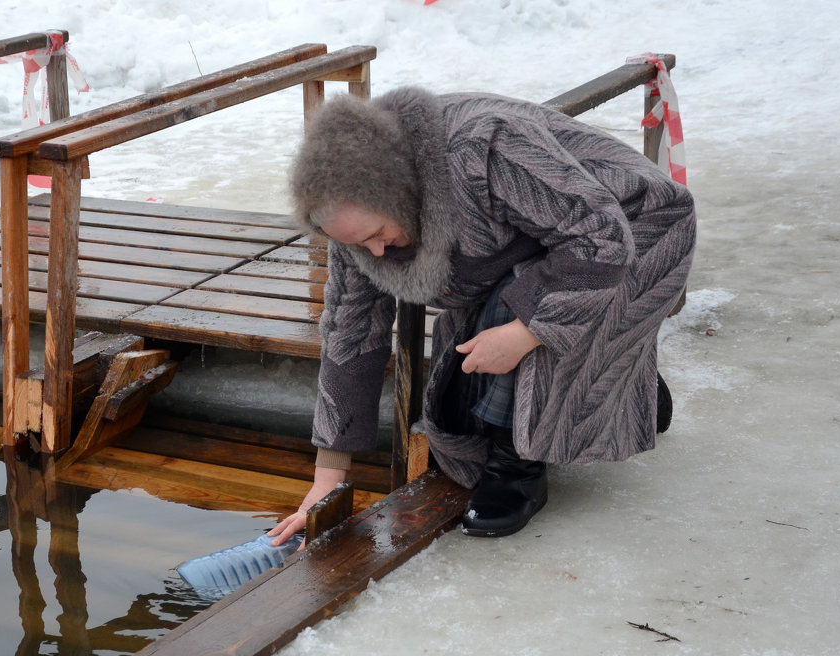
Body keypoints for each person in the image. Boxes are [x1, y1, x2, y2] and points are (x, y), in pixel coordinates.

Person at [266, 86, 696, 545]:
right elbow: (350, 330)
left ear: (397, 191)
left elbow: (601, 238)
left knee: (524, 327)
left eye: (376, 234)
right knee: (459, 399)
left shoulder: (482, 147)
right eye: (355, 244)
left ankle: (517, 471)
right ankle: (627, 382)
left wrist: (525, 332)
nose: (373, 251)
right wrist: (326, 480)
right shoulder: (356, 219)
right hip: (538, 246)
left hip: (635, 229)